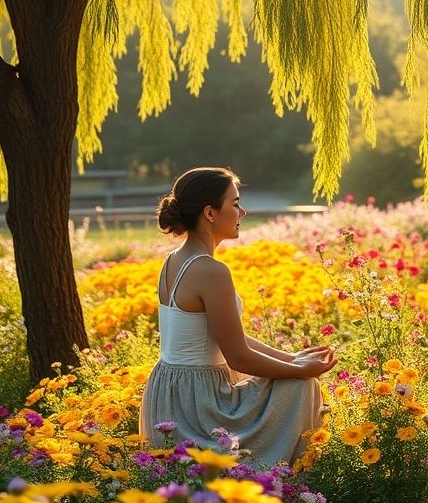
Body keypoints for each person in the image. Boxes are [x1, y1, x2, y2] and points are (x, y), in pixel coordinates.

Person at [140, 167, 335, 465]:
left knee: (298, 378)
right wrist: (301, 371)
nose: (242, 212)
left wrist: (292, 359)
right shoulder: (210, 270)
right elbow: (238, 358)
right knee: (302, 387)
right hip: (198, 405)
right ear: (209, 213)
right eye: (234, 204)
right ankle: (284, 490)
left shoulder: (174, 260)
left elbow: (231, 338)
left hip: (170, 393)